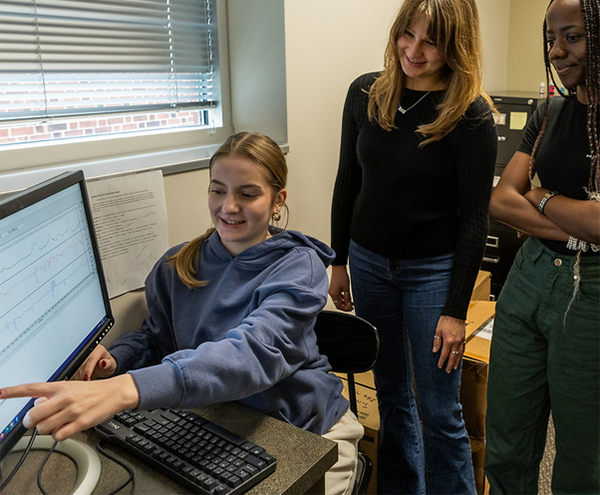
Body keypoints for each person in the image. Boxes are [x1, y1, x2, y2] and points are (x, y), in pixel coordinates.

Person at [0, 132, 364, 495]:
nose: (229, 206)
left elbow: (253, 355)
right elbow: (157, 339)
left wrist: (127, 389)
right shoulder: (178, 264)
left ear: (277, 201)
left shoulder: (299, 267)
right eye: (218, 190)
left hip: (309, 431)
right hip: (224, 420)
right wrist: (116, 359)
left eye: (247, 194)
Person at [329, 0, 498, 495]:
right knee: (392, 394)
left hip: (432, 273)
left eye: (432, 41)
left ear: (456, 46)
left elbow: (474, 220)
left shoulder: (470, 115)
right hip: (369, 262)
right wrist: (338, 260)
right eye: (408, 33)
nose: (414, 50)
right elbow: (347, 181)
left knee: (438, 405)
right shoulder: (366, 93)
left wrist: (453, 312)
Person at [485, 0, 600, 494]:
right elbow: (501, 198)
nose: (557, 51)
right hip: (528, 279)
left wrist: (543, 196)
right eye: (552, 38)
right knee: (507, 435)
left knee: (583, 449)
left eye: (572, 37)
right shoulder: (549, 112)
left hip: (591, 292)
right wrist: (576, 220)